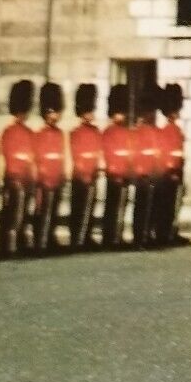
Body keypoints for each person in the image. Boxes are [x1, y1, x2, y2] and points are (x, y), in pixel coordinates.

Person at [0, 79, 37, 258]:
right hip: (14, 177)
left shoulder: (29, 132)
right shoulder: (9, 131)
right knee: (12, 213)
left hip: (27, 178)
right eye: (21, 111)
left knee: (23, 212)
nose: (23, 115)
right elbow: (9, 154)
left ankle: (20, 242)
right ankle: (8, 244)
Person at [32, 81, 68, 253]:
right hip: (44, 179)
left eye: (56, 112)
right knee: (43, 211)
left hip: (56, 177)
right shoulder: (39, 134)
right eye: (51, 112)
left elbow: (60, 155)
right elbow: (38, 158)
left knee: (53, 210)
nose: (55, 116)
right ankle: (41, 240)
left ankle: (50, 238)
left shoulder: (60, 134)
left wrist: (62, 174)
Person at [67, 83, 102, 251]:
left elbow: (96, 153)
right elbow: (77, 155)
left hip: (92, 174)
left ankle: (85, 236)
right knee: (79, 207)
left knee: (89, 206)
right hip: (80, 176)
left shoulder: (95, 132)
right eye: (88, 110)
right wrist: (83, 172)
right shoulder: (76, 133)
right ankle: (78, 238)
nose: (91, 113)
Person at [100, 84, 135, 249]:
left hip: (125, 173)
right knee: (112, 206)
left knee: (122, 206)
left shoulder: (127, 132)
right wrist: (114, 170)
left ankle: (117, 236)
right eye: (118, 112)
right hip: (114, 174)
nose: (121, 116)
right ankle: (110, 237)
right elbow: (109, 153)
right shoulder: (109, 132)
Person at [131, 87, 165, 249]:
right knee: (142, 209)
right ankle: (139, 238)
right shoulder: (138, 132)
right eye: (149, 111)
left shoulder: (156, 131)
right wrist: (141, 172)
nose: (151, 114)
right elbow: (135, 153)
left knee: (153, 209)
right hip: (143, 175)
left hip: (154, 175)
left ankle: (148, 235)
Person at [155, 83, 187, 247]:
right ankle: (165, 233)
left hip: (175, 171)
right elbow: (169, 154)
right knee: (168, 206)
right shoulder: (169, 131)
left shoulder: (174, 130)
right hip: (170, 173)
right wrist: (173, 170)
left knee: (173, 204)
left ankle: (170, 232)